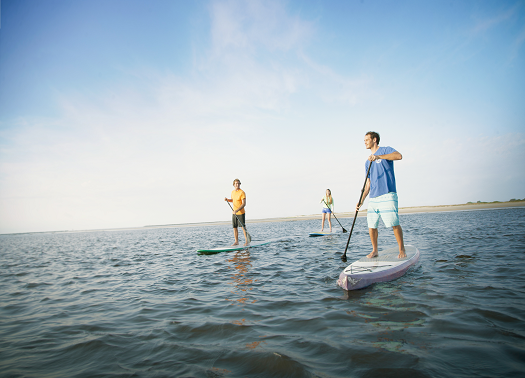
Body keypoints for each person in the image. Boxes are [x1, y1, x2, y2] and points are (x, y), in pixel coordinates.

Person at [356, 131, 406, 259]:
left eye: (367, 139)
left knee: (394, 223)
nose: (365, 142)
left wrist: (379, 157)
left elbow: (399, 156)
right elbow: (368, 184)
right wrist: (361, 200)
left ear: (374, 140)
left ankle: (401, 249)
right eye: (364, 140)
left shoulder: (385, 150)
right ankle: (375, 250)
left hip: (388, 194)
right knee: (371, 226)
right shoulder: (367, 162)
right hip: (373, 197)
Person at [224, 178, 249, 246]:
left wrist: (237, 210)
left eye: (238, 183)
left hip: (240, 213)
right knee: (234, 227)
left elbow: (244, 204)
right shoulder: (232, 192)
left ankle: (247, 241)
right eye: (236, 184)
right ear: (234, 185)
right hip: (234, 213)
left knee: (243, 227)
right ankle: (236, 242)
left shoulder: (242, 192)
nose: (237, 185)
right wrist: (227, 200)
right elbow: (233, 200)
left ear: (240, 184)